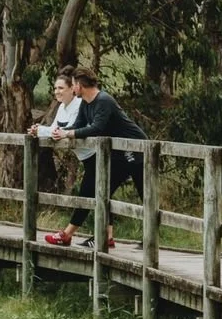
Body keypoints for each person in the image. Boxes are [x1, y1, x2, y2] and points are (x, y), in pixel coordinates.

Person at [44, 67, 147, 249]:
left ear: (80, 85)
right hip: (117, 153)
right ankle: (102, 237)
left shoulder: (104, 101)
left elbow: (97, 128)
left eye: (74, 84)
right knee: (100, 189)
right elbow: (79, 125)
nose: (73, 87)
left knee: (146, 195)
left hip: (136, 149)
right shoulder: (85, 102)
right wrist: (62, 132)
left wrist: (69, 133)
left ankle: (147, 240)